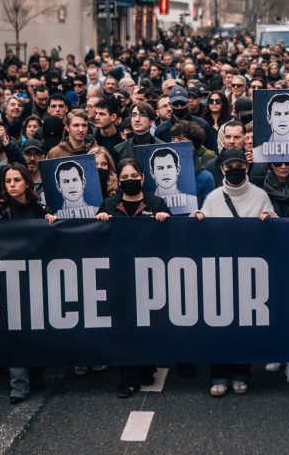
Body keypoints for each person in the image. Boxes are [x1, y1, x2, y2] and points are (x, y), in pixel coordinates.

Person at [193, 148, 277, 397]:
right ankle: (219, 373)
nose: (235, 170)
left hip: (250, 273)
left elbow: (274, 226)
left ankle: (242, 372)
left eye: (240, 164)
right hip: (220, 273)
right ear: (222, 169)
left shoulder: (261, 195)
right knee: (218, 324)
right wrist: (196, 217)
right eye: (230, 166)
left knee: (244, 325)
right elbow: (201, 229)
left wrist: (271, 217)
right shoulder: (214, 197)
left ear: (247, 167)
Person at [0, 164, 50, 403]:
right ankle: (18, 385)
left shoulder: (41, 210)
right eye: (8, 181)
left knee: (37, 330)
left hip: (37, 278)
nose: (12, 185)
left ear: (27, 182)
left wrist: (52, 223)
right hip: (10, 278)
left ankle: (36, 373)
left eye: (17, 180)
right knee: (16, 332)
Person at [96, 159, 170, 398]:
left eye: (133, 176)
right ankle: (127, 378)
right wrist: (100, 222)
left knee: (146, 324)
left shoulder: (156, 202)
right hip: (118, 274)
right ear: (118, 180)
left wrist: (164, 219)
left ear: (142, 177)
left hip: (149, 273)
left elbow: (172, 236)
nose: (130, 181)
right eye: (124, 177)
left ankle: (145, 366)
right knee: (122, 325)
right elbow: (96, 238)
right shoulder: (109, 204)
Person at [254, 93, 289, 159]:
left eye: (287, 114)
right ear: (269, 118)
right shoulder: (257, 153)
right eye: (277, 114)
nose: (282, 119)